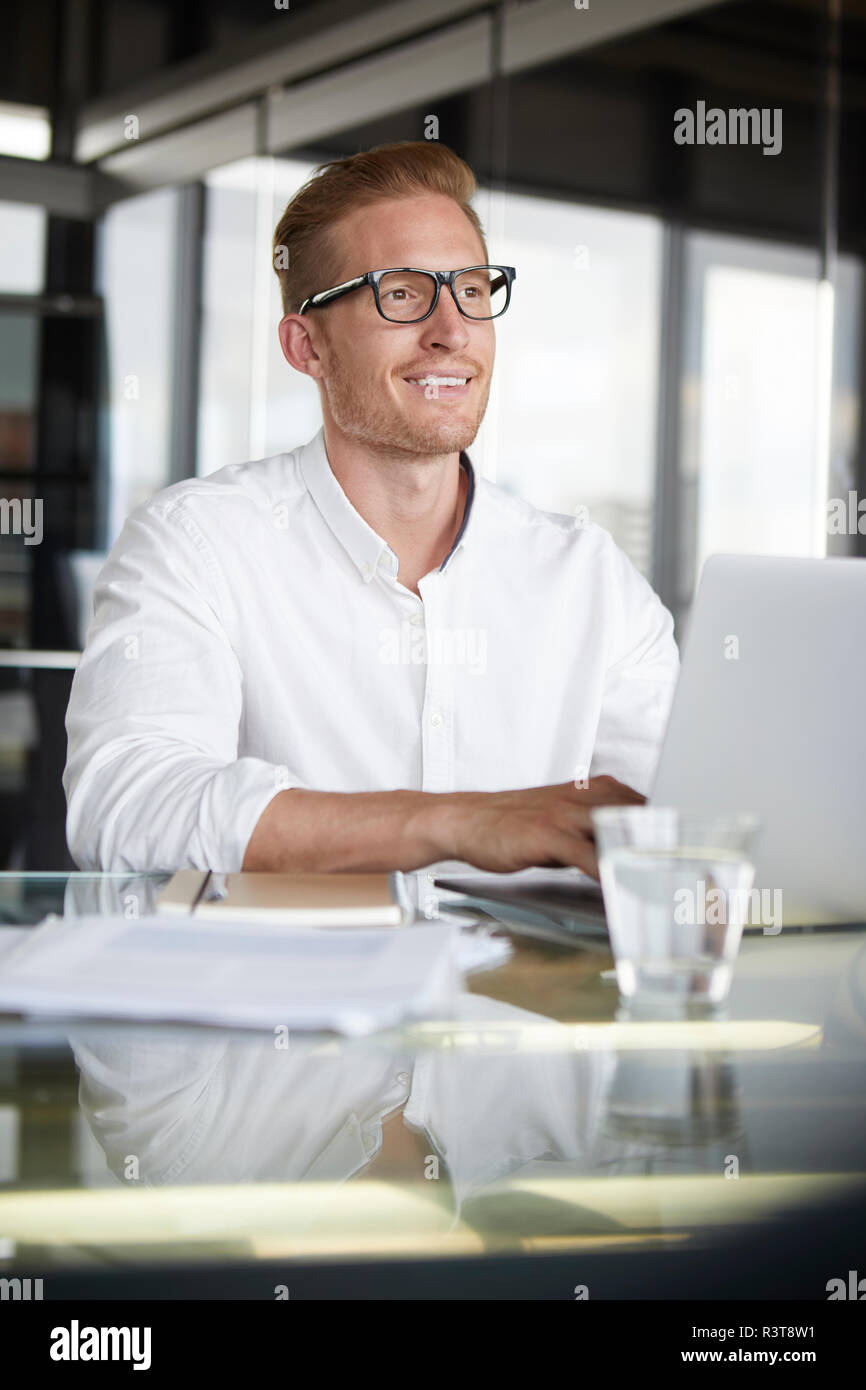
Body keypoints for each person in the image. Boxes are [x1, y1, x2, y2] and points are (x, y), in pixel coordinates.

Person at [63, 142, 679, 879]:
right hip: (292, 990)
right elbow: (126, 805)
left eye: (473, 290)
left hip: (524, 995)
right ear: (307, 346)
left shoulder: (591, 579)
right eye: (402, 292)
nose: (451, 329)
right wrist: (454, 822)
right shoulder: (196, 544)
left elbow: (677, 823)